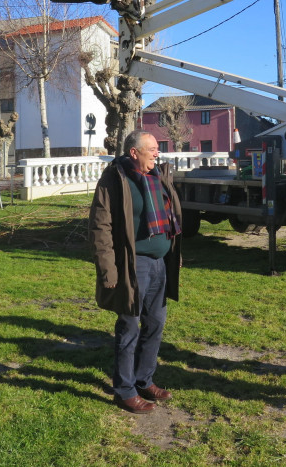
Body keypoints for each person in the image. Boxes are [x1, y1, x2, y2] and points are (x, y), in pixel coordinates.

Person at [89, 130, 182, 414]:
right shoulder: (115, 179)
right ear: (134, 152)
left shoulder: (158, 175)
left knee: (155, 324)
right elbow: (100, 228)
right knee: (129, 326)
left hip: (160, 263)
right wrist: (109, 271)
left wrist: (175, 254)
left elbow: (171, 218)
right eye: (152, 149)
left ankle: (144, 379)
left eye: (157, 149)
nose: (157, 153)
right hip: (132, 264)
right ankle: (125, 389)